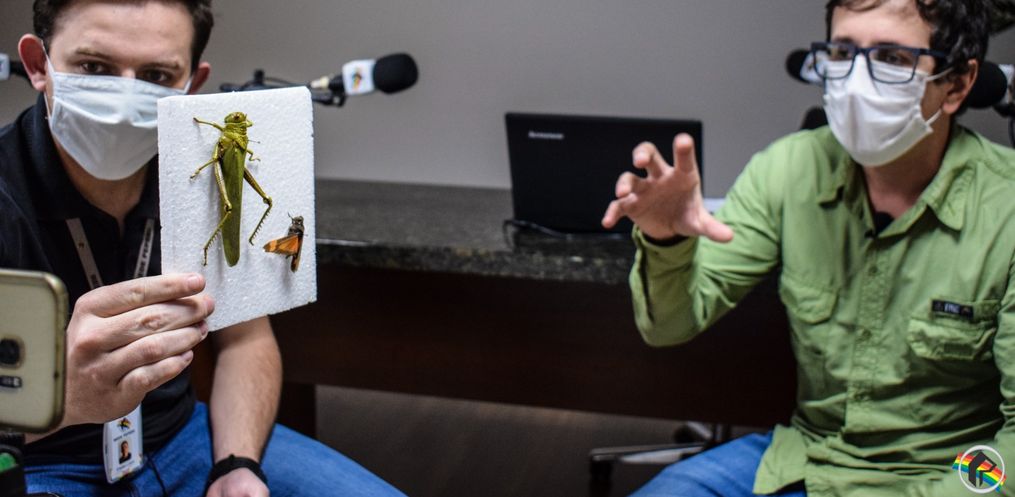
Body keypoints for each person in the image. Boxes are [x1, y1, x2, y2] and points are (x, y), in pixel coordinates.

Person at [602, 0, 1015, 496]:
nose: (856, 82)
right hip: (807, 457)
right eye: (842, 53)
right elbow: (670, 325)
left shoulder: (1005, 207)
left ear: (957, 84)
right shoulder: (789, 168)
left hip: (947, 471)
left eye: (892, 58)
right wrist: (665, 239)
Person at [0, 1, 405, 496]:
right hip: (39, 460)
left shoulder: (197, 172)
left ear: (193, 83)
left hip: (184, 439)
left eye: (156, 74)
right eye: (94, 67)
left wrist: (238, 464)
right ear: (38, 64)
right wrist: (57, 401)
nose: (125, 98)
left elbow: (244, 341)